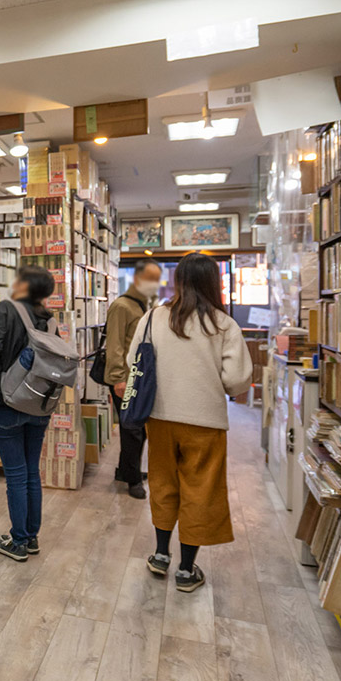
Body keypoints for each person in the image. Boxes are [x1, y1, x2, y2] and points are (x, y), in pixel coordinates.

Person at [126, 252, 252, 592]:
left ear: (178, 281)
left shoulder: (154, 317)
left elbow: (132, 360)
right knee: (200, 490)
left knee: (164, 483)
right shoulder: (223, 324)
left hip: (160, 417)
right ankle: (186, 568)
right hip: (205, 421)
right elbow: (237, 379)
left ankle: (160, 554)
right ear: (214, 282)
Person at [0, 265, 57, 562]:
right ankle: (31, 536)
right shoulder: (49, 320)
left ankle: (19, 541)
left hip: (6, 402)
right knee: (31, 470)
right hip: (38, 403)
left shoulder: (6, 310)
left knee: (16, 474)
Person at [106, 260, 161, 499]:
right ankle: (133, 479)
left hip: (138, 378)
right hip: (124, 379)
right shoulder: (122, 306)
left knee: (136, 429)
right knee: (133, 430)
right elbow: (115, 345)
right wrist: (119, 378)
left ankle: (126, 470)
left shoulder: (144, 306)